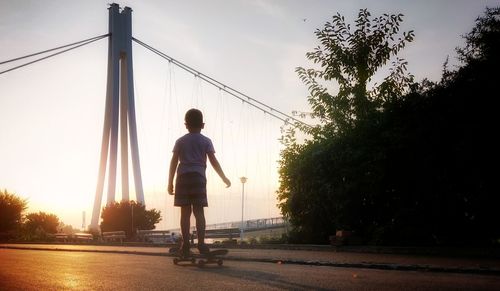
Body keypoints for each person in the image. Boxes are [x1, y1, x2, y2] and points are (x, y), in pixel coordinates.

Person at [168, 108, 231, 257]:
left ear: (186, 125)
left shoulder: (180, 141)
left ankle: (185, 244)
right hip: (198, 178)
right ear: (203, 125)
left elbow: (173, 162)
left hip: (182, 178)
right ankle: (201, 244)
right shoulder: (206, 141)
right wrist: (223, 177)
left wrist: (169, 182)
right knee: (199, 212)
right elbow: (213, 161)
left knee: (185, 213)